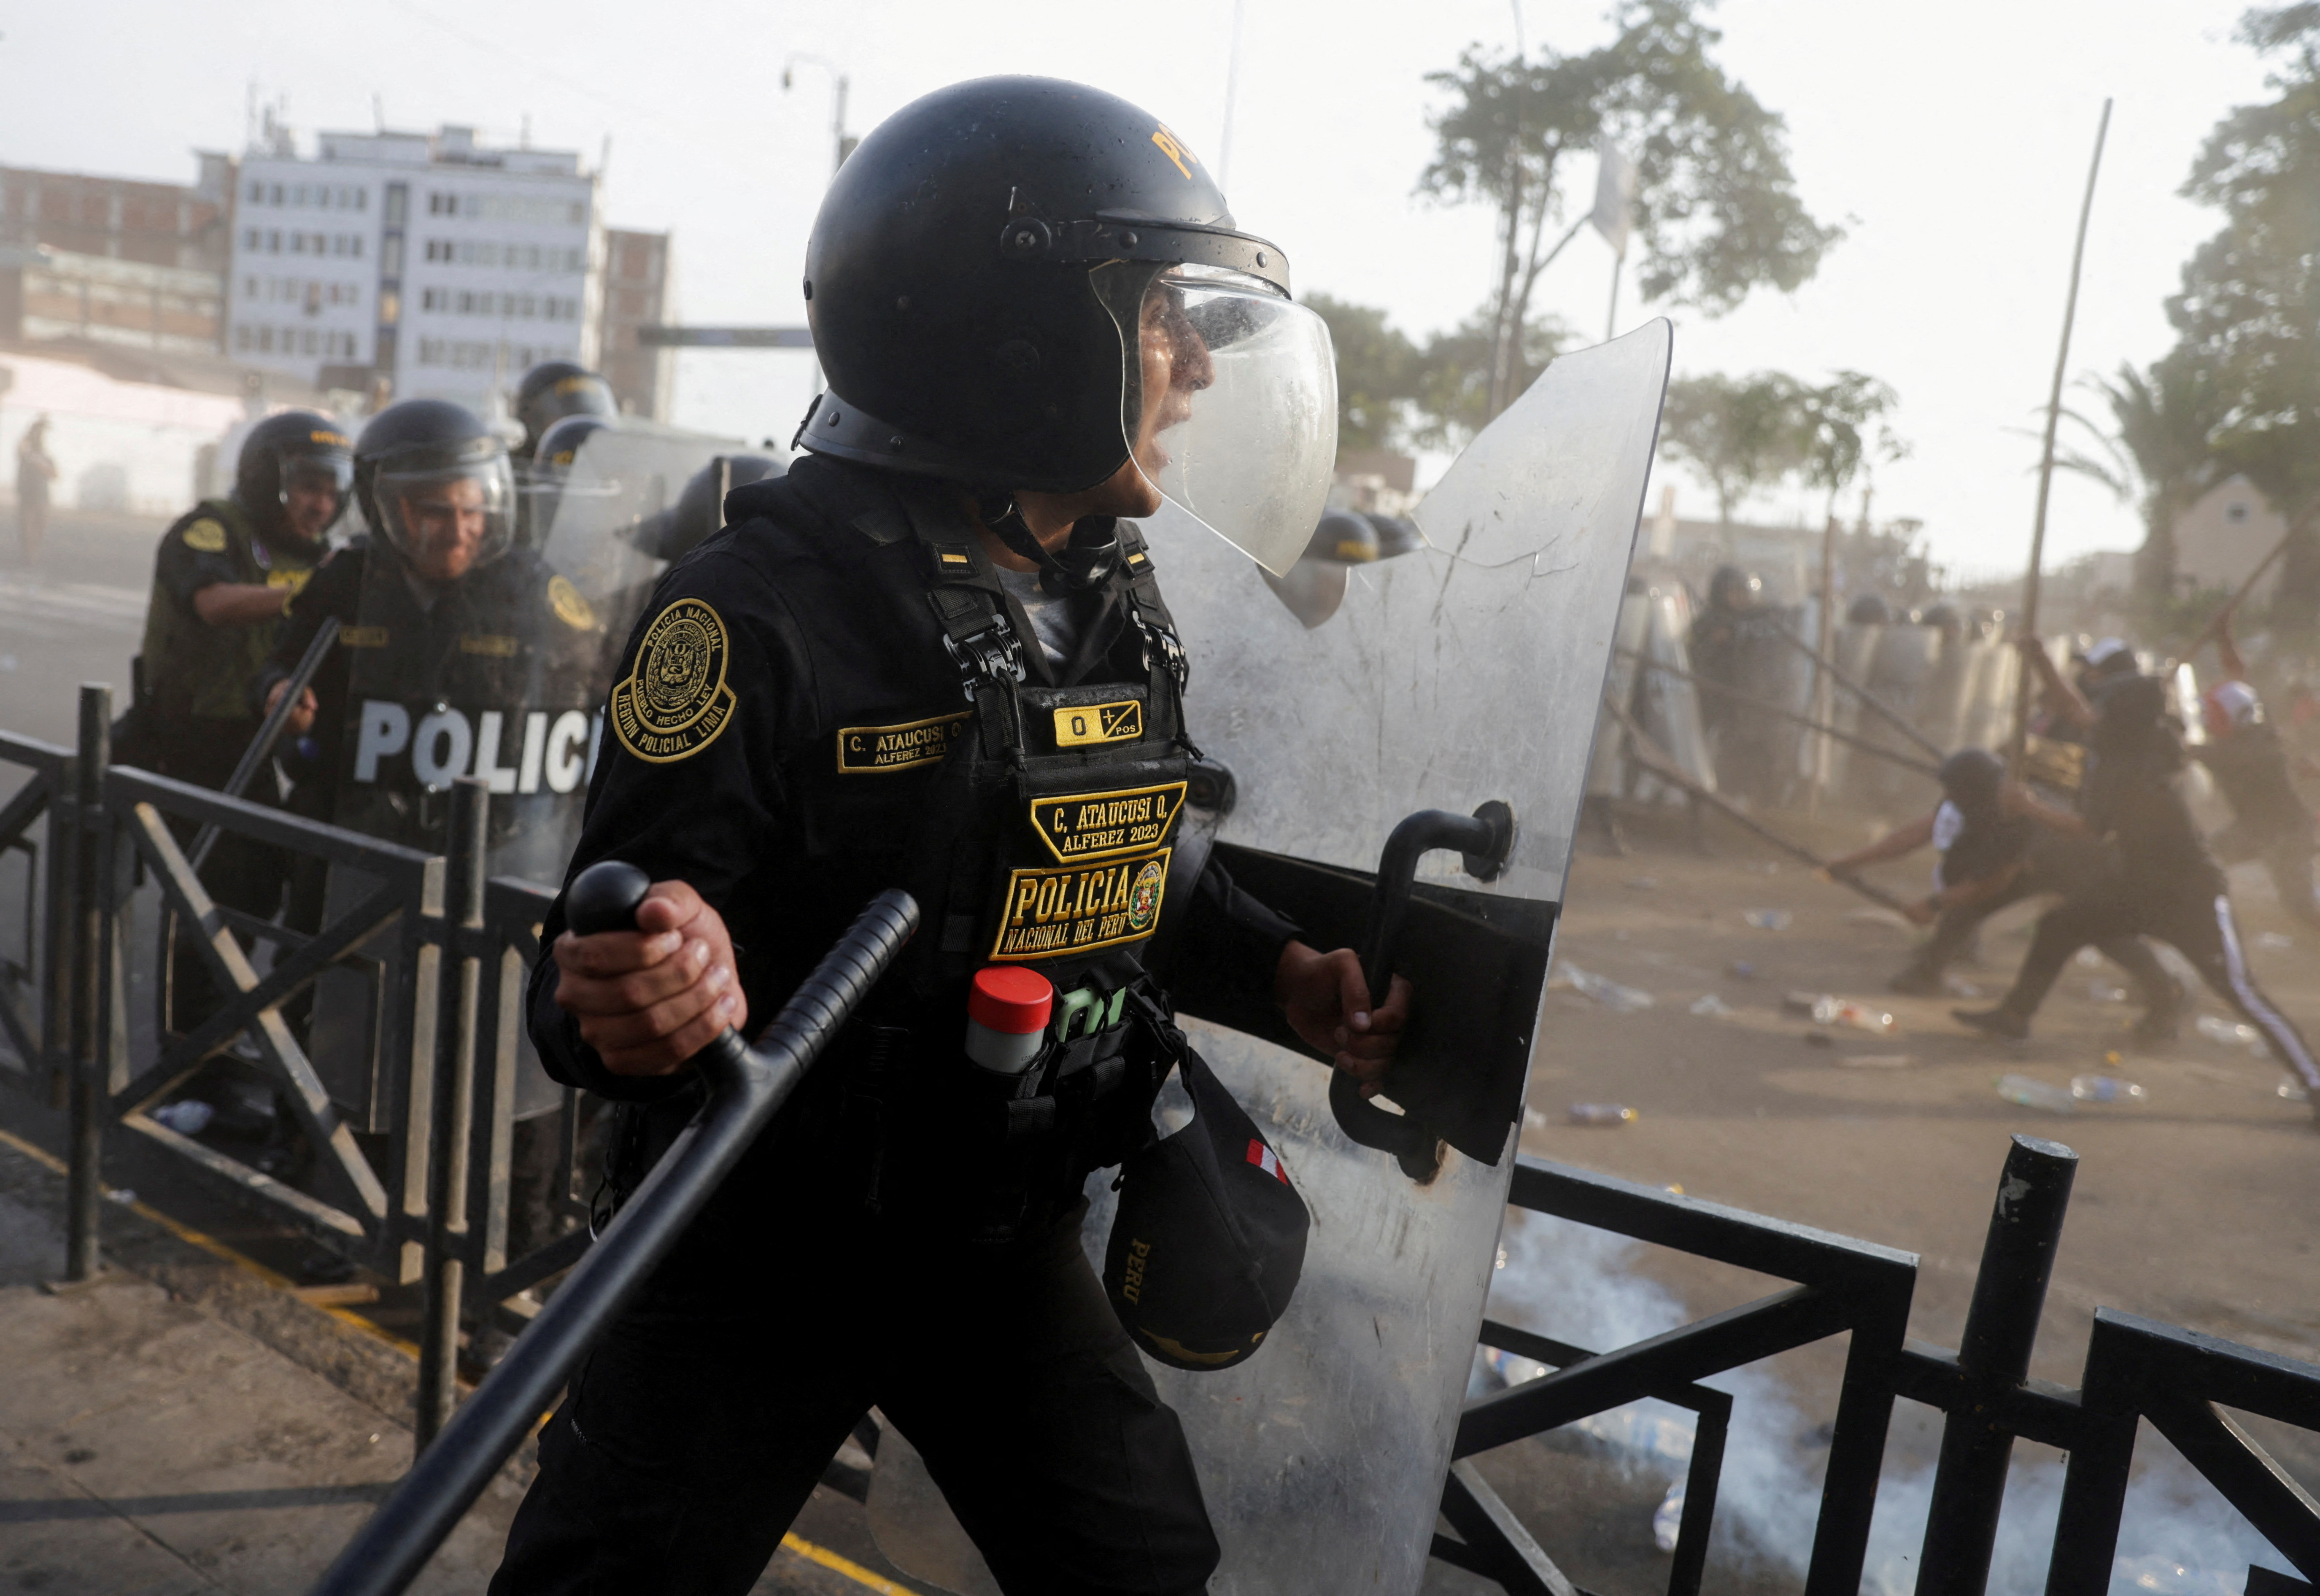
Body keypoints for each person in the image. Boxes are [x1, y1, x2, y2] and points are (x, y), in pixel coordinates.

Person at [490, 76, 1403, 1596]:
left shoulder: (1106, 587)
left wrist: (1286, 968)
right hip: (750, 1251)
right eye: (1157, 319)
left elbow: (1116, 861)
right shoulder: (754, 603)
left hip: (998, 1234)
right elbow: (605, 965)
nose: (1195, 373)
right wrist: (645, 985)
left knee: (1142, 1570)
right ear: (1020, 343)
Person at [1952, 678, 2320, 1120]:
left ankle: (2314, 1082)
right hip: (2137, 885)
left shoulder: (2128, 768)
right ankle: (2014, 1016)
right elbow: (2084, 716)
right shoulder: (2148, 739)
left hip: (2191, 896)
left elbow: (2089, 829)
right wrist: (2042, 662)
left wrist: (2028, 805)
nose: (2098, 719)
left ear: (2122, 722)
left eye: (2108, 713)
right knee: (2062, 924)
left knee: (2242, 993)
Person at [135, 410, 352, 1035]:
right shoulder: (209, 530)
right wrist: (312, 594)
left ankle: (226, 1042)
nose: (321, 505)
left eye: (333, 492)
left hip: (266, 745)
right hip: (193, 740)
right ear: (265, 480)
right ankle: (189, 1061)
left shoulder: (319, 557)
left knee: (263, 887)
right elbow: (214, 603)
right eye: (308, 487)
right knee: (216, 893)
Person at [1824, 747, 2178, 1036]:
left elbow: (1992, 883)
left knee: (2106, 937)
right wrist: (1851, 862)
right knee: (1969, 911)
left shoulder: (2015, 815)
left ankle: (2166, 997)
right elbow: (1912, 836)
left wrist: (1932, 905)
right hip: (2029, 866)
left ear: (1971, 790)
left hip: (2088, 873)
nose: (1947, 797)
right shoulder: (1971, 799)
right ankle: (1932, 974)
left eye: (1954, 791)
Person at [2194, 604, 2320, 929]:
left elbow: (2188, 750)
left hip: (2287, 835)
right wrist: (2224, 637)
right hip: (2255, 828)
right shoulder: (2259, 729)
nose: (2208, 720)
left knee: (2302, 905)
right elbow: (2239, 678)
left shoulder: (2241, 750)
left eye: (2213, 715)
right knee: (2203, 863)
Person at [1688, 564, 1791, 806]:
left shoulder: (1757, 620)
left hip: (1755, 705)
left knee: (1760, 756)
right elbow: (1699, 659)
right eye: (1733, 591)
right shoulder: (1708, 623)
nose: (1740, 597)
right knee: (1727, 757)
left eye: (1743, 591)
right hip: (1720, 704)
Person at [511, 360, 618, 464]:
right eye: (565, 419)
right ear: (531, 418)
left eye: (589, 417)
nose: (580, 430)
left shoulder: (613, 471)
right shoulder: (505, 472)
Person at [14, 414, 57, 565]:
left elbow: (55, 475)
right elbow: (21, 448)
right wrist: (35, 427)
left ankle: (32, 556)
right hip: (29, 495)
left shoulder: (42, 457)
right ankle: (29, 557)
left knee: (39, 528)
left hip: (41, 496)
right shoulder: (28, 454)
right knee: (28, 528)